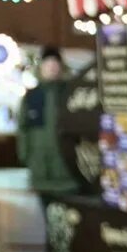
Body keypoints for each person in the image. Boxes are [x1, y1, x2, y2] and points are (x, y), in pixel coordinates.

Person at [19, 47, 82, 207]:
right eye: (48, 63)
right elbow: (23, 130)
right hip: (41, 171)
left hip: (68, 173)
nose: (52, 67)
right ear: (41, 67)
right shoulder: (31, 97)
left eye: (55, 63)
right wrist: (27, 157)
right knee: (47, 218)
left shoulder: (71, 94)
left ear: (62, 67)